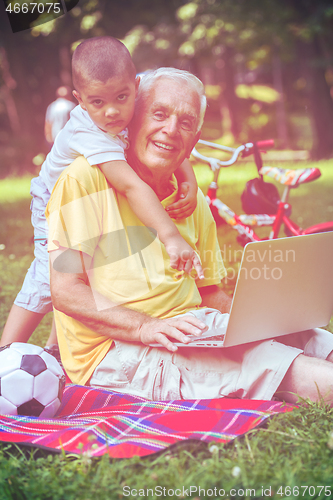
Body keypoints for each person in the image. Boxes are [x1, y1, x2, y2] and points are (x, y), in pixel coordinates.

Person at [47, 67, 333, 405]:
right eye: (159, 114)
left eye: (185, 123)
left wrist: (253, 322)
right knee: (268, 364)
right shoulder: (85, 179)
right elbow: (65, 292)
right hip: (117, 350)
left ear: (194, 141)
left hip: (191, 327)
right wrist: (144, 327)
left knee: (311, 338)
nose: (170, 130)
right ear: (132, 120)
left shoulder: (190, 198)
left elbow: (207, 290)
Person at [0, 38, 201, 351]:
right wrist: (171, 236)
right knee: (51, 275)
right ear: (81, 101)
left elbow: (172, 144)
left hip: (92, 200)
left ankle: (57, 348)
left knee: (90, 271)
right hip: (52, 200)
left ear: (136, 86)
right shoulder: (89, 132)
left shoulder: (128, 106)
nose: (111, 111)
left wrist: (189, 180)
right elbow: (131, 185)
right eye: (97, 102)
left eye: (121, 97)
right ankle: (6, 352)